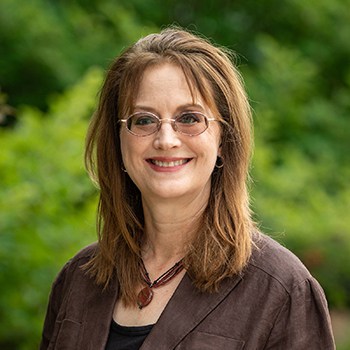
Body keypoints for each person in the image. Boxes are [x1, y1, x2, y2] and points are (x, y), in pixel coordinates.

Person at [40, 27, 335, 349]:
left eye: (190, 118)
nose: (166, 139)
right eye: (143, 120)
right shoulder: (79, 279)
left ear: (224, 138)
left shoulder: (281, 289)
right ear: (117, 140)